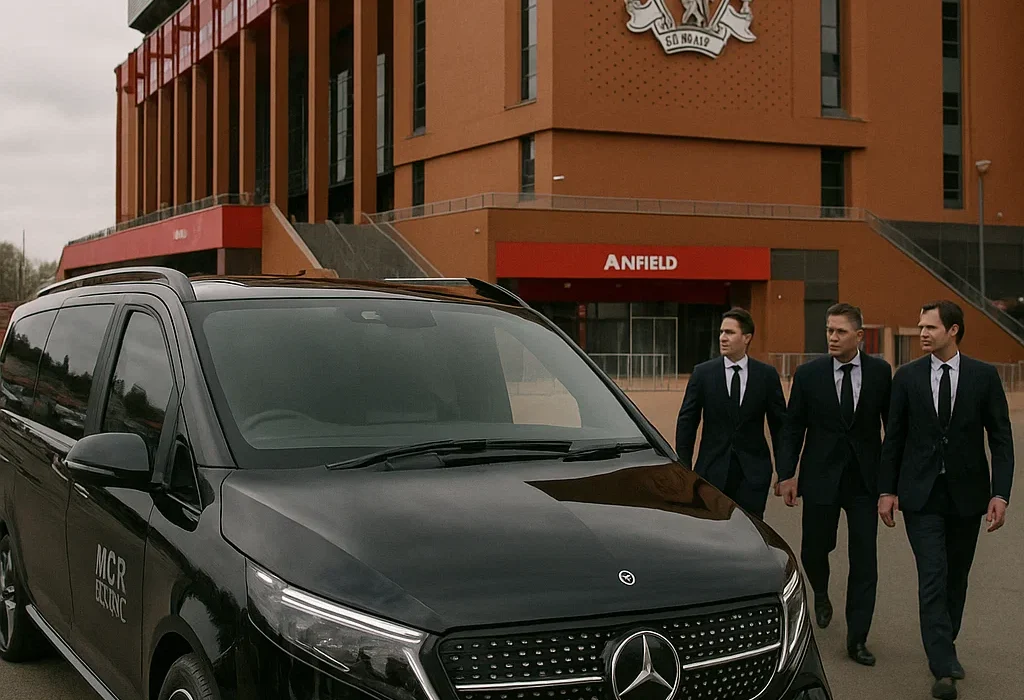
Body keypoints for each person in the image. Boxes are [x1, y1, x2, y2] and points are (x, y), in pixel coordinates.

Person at [878, 300, 1013, 700]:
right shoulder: (906, 377)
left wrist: (1000, 494)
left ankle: (944, 645)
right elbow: (895, 438)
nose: (921, 333)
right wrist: (887, 490)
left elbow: (1001, 440)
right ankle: (942, 665)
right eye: (919, 326)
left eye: (930, 327)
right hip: (920, 497)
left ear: (953, 330)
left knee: (956, 577)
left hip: (967, 497)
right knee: (933, 575)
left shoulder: (984, 377)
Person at [775, 303, 892, 667]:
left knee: (864, 561)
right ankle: (822, 593)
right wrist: (786, 474)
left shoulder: (880, 373)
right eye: (828, 330)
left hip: (863, 482)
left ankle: (858, 639)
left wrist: (890, 485)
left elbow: (893, 428)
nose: (832, 337)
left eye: (840, 331)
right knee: (813, 550)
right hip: (821, 477)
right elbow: (793, 426)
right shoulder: (808, 375)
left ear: (859, 335)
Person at [675, 307, 786, 519]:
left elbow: (779, 427)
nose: (722, 338)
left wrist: (784, 472)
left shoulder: (766, 376)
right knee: (713, 537)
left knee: (752, 535)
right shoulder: (703, 373)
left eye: (729, 332)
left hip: (753, 474)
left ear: (746, 338)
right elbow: (687, 422)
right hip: (711, 473)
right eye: (721, 332)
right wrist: (684, 468)